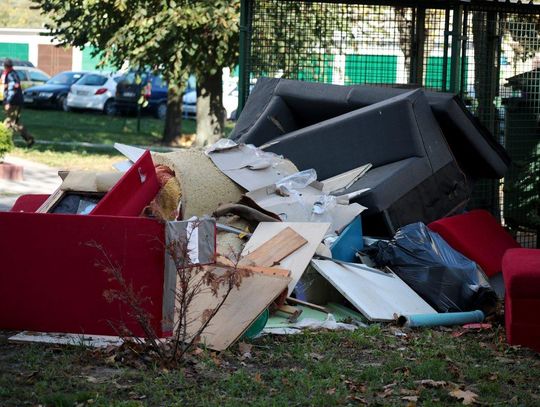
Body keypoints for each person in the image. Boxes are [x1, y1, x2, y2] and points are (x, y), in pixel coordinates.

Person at [2, 58, 34, 147]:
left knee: (9, 122)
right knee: (15, 123)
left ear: (6, 67)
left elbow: (12, 89)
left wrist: (8, 102)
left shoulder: (11, 75)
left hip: (13, 102)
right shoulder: (12, 74)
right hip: (16, 101)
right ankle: (29, 139)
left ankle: (3, 140)